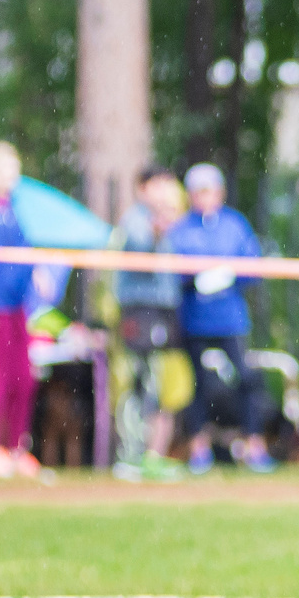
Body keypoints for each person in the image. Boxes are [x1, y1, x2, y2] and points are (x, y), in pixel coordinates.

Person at [167, 163, 273, 474]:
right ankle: (199, 449)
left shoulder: (234, 225)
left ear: (220, 192)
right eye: (198, 191)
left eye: (209, 189)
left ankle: (254, 445)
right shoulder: (182, 229)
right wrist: (195, 278)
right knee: (196, 386)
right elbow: (172, 269)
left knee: (247, 379)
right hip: (195, 319)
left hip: (230, 319)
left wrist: (228, 275)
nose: (204, 197)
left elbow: (252, 266)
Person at [112, 167, 190, 481]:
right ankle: (133, 456)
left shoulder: (167, 221)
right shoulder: (135, 219)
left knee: (158, 382)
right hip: (141, 309)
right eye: (159, 185)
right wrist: (162, 223)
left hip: (162, 309)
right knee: (141, 381)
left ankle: (152, 455)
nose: (165, 191)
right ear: (142, 188)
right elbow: (142, 245)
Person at [0, 141, 38, 479]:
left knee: (23, 378)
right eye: (6, 171)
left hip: (18, 308)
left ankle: (16, 447)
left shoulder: (18, 209)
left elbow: (26, 253)